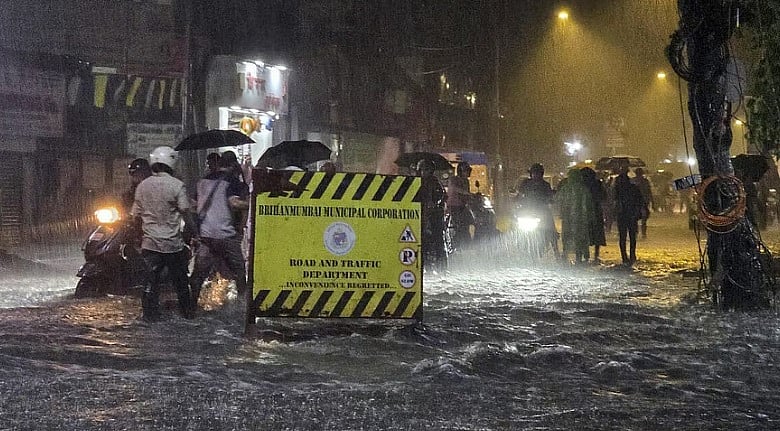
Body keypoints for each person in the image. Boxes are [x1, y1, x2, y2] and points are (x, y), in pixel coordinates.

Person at [132, 146, 197, 321]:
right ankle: (188, 314)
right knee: (181, 281)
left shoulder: (142, 186)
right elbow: (185, 210)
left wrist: (139, 238)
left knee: (150, 282)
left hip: (150, 244)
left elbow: (135, 216)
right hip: (172, 244)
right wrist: (194, 231)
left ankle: (149, 316)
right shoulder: (177, 185)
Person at [189, 155, 250, 308]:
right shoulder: (231, 182)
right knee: (239, 271)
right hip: (225, 235)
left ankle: (191, 307)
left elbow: (193, 205)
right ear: (232, 165)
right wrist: (252, 202)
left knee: (198, 275)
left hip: (206, 236)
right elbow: (234, 203)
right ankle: (243, 308)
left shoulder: (202, 181)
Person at [516, 163, 559, 258]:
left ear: (541, 174)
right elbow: (519, 195)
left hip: (542, 212)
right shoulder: (525, 184)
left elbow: (550, 196)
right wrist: (516, 202)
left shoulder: (545, 185)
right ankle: (519, 249)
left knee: (551, 230)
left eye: (537, 173)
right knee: (517, 229)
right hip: (527, 212)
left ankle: (557, 253)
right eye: (534, 173)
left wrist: (551, 199)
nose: (535, 175)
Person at [416, 159, 447, 271]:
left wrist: (434, 204)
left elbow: (441, 195)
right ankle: (424, 264)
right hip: (421, 214)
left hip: (434, 215)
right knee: (421, 240)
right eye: (422, 169)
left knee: (438, 239)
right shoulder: (418, 182)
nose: (423, 172)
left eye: (425, 169)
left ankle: (441, 266)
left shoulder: (434, 181)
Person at [557, 168, 593, 265]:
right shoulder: (583, 189)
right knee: (580, 237)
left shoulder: (566, 188)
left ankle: (565, 254)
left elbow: (559, 201)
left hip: (568, 217)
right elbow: (589, 205)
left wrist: (560, 213)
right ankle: (579, 257)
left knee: (567, 236)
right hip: (581, 218)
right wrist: (590, 216)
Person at [613, 167, 644, 266]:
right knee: (632, 237)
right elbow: (640, 201)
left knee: (623, 237)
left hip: (622, 216)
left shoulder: (618, 190)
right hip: (632, 215)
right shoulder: (634, 188)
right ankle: (632, 255)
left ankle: (624, 257)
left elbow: (614, 203)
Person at [581, 167, 607, 264]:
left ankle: (586, 256)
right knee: (597, 234)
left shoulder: (582, 185)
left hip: (584, 212)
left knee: (585, 233)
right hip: (596, 211)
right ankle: (596, 256)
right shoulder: (597, 184)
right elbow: (604, 196)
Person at [447, 161, 474, 250]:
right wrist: (467, 193)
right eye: (466, 171)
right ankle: (456, 243)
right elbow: (455, 188)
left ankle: (467, 241)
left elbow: (467, 194)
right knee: (458, 224)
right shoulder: (453, 179)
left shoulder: (466, 181)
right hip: (454, 206)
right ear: (461, 171)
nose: (467, 173)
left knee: (469, 221)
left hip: (463, 206)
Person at [633, 167, 653, 239]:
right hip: (641, 203)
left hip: (638, 203)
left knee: (636, 219)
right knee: (643, 219)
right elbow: (649, 192)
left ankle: (637, 233)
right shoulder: (645, 181)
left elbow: (649, 192)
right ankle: (642, 233)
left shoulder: (633, 180)